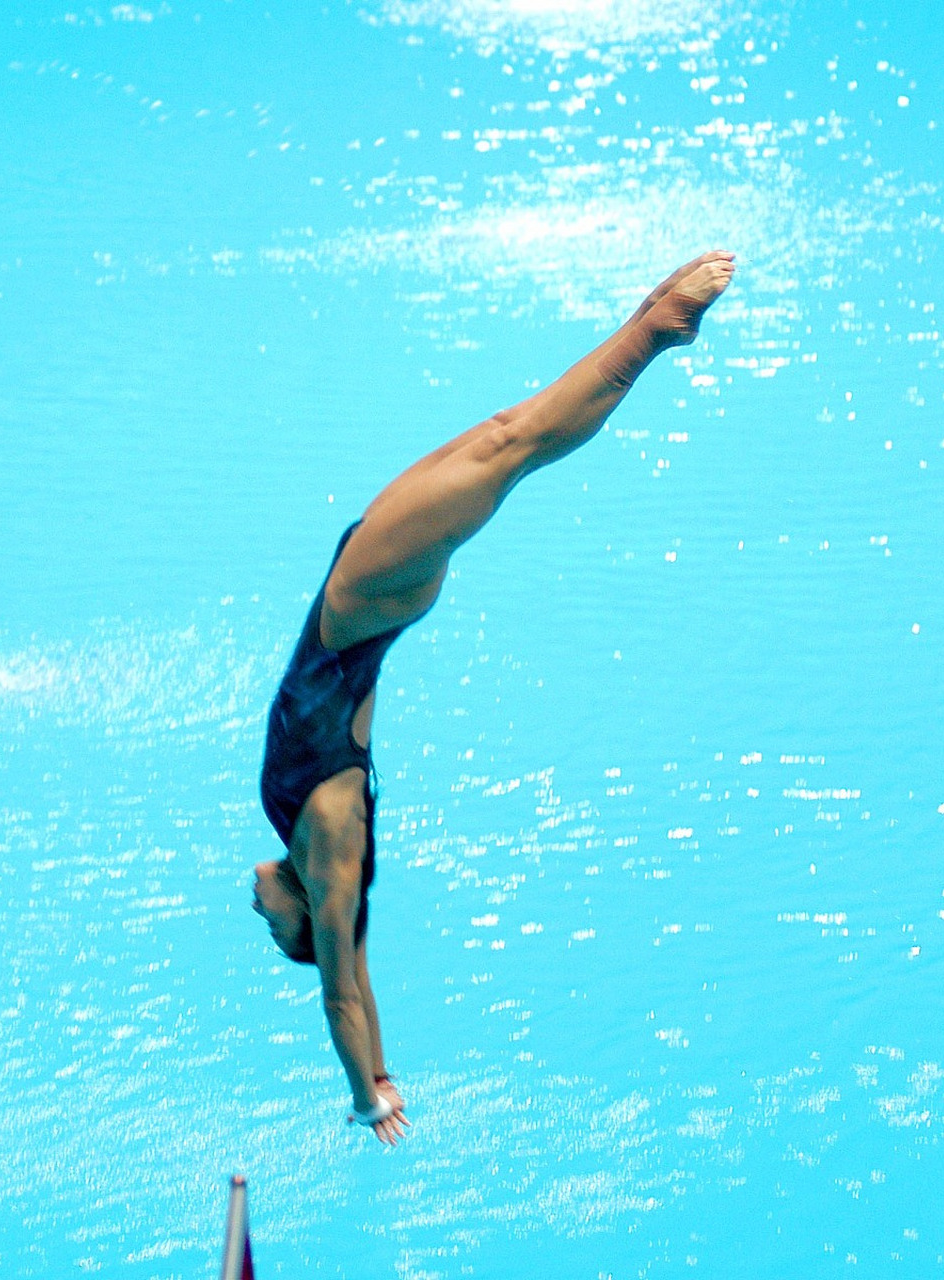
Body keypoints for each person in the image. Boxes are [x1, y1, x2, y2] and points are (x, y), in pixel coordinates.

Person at [252, 250, 736, 1145]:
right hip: (366, 598)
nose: (258, 914)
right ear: (306, 919)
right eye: (275, 932)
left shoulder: (317, 855)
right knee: (516, 442)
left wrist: (385, 1068)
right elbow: (340, 987)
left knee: (505, 436)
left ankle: (647, 320)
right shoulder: (326, 847)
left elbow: (354, 967)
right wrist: (367, 1097)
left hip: (365, 591)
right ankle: (655, 331)